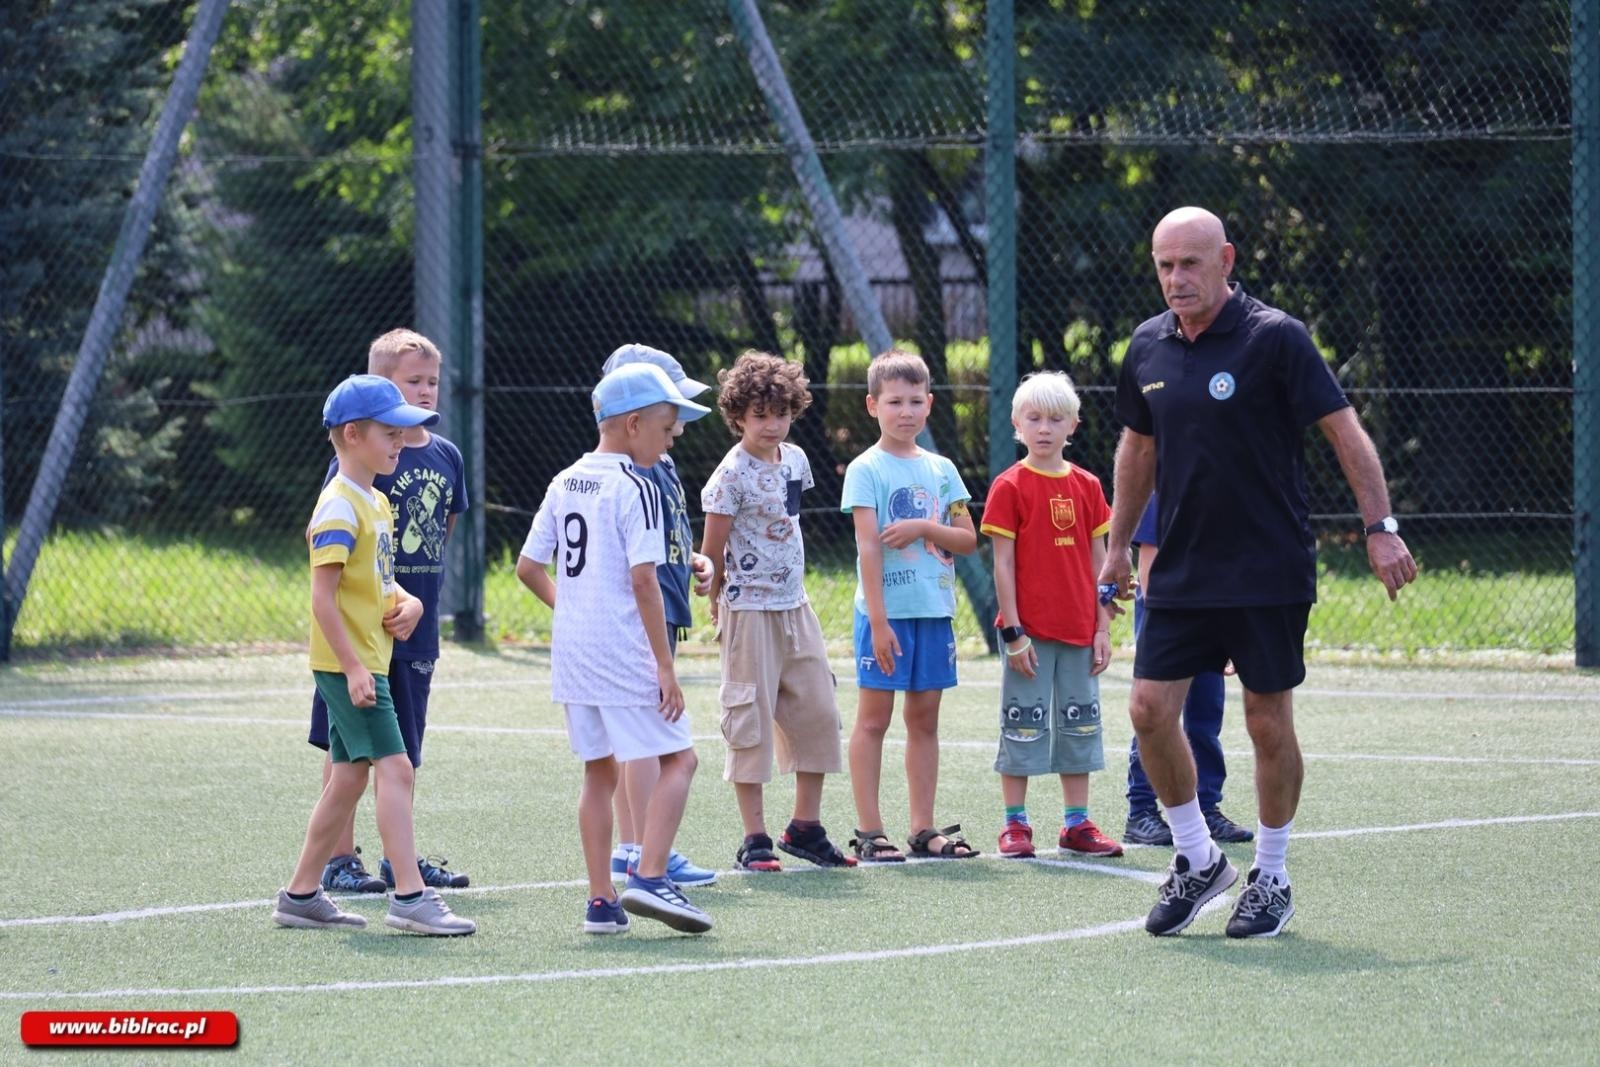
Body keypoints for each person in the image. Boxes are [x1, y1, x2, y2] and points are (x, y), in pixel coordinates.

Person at [1099, 206, 1417, 938]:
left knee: (1265, 720)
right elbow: (1137, 452)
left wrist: (1380, 528)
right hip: (1177, 568)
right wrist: (1116, 547)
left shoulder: (1276, 338)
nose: (1176, 278)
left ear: (1226, 259)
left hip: (1267, 567)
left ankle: (1271, 875)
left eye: (1189, 263)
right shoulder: (1147, 345)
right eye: (1164, 264)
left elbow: (1346, 433)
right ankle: (1196, 857)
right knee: (1149, 709)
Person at [272, 374, 476, 936]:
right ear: (352, 434)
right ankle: (410, 897)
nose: (400, 442)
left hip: (367, 660)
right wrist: (357, 669)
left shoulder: (377, 501)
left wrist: (407, 602)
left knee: (348, 780)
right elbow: (322, 597)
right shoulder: (339, 505)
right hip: (350, 665)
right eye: (390, 432)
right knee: (397, 769)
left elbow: (378, 583)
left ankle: (300, 894)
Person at [517, 362, 714, 935]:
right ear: (632, 424)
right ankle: (651, 878)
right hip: (627, 652)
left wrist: (575, 614)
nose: (674, 436)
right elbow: (644, 581)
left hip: (575, 654)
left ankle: (601, 902)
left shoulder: (564, 480)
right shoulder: (637, 486)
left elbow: (529, 568)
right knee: (681, 757)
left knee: (598, 775)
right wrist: (664, 665)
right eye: (668, 427)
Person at [699, 351, 855, 873]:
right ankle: (755, 839)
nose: (772, 424)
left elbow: (788, 521)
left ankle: (804, 828)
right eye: (760, 414)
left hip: (796, 606)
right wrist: (718, 604)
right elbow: (714, 549)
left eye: (781, 413)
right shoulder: (728, 476)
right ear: (738, 416)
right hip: (749, 612)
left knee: (818, 713)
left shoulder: (796, 460)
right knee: (749, 722)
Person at [842, 350, 980, 863]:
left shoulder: (942, 471)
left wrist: (924, 527)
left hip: (933, 613)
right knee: (874, 720)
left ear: (930, 405)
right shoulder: (865, 469)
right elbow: (868, 547)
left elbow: (967, 539)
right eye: (894, 401)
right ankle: (870, 830)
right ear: (872, 406)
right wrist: (878, 622)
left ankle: (923, 828)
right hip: (886, 616)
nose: (906, 411)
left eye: (915, 401)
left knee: (924, 721)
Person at [981, 371, 1124, 860]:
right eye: (1035, 418)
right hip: (1030, 634)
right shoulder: (1009, 486)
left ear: (1074, 425)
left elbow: (1098, 562)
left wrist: (1102, 625)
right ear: (1017, 424)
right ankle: (1015, 825)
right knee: (1023, 723)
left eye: (1056, 418)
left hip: (1080, 631)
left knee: (1080, 724)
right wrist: (1015, 631)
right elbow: (1002, 563)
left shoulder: (1087, 486)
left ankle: (1076, 824)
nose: (1045, 428)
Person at [597, 345, 719, 890]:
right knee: (648, 738)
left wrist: (691, 557)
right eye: (669, 416)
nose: (679, 429)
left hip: (665, 606)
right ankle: (644, 849)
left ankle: (643, 847)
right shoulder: (622, 472)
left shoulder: (660, 462)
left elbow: (665, 533)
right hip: (635, 618)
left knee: (648, 735)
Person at [1123, 493, 1253, 847]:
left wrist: (1231, 635)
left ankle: (1207, 807)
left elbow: (1234, 569)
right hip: (1168, 625)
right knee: (1158, 718)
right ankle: (1142, 812)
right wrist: (1167, 632)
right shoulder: (1164, 491)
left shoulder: (1230, 496)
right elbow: (1147, 571)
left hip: (1213, 620)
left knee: (1205, 720)